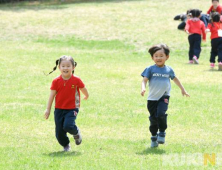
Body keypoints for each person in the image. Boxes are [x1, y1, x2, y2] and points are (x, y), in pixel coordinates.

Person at [141, 44, 190, 148]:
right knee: (153, 119)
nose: (159, 58)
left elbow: (175, 79)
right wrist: (143, 88)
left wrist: (183, 89)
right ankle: (154, 137)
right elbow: (144, 80)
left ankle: (162, 132)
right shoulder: (150, 69)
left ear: (167, 57)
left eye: (161, 55)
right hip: (152, 99)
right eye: (156, 56)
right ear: (152, 57)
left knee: (161, 114)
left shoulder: (169, 70)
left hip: (164, 97)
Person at [44, 55, 89, 151]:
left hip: (72, 108)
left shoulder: (76, 80)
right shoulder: (56, 81)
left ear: (73, 67)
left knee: (68, 125)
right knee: (59, 131)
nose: (65, 68)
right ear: (59, 67)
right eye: (63, 66)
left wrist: (86, 95)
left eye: (68, 66)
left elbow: (83, 88)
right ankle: (66, 145)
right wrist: (48, 109)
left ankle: (76, 133)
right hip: (59, 109)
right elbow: (51, 95)